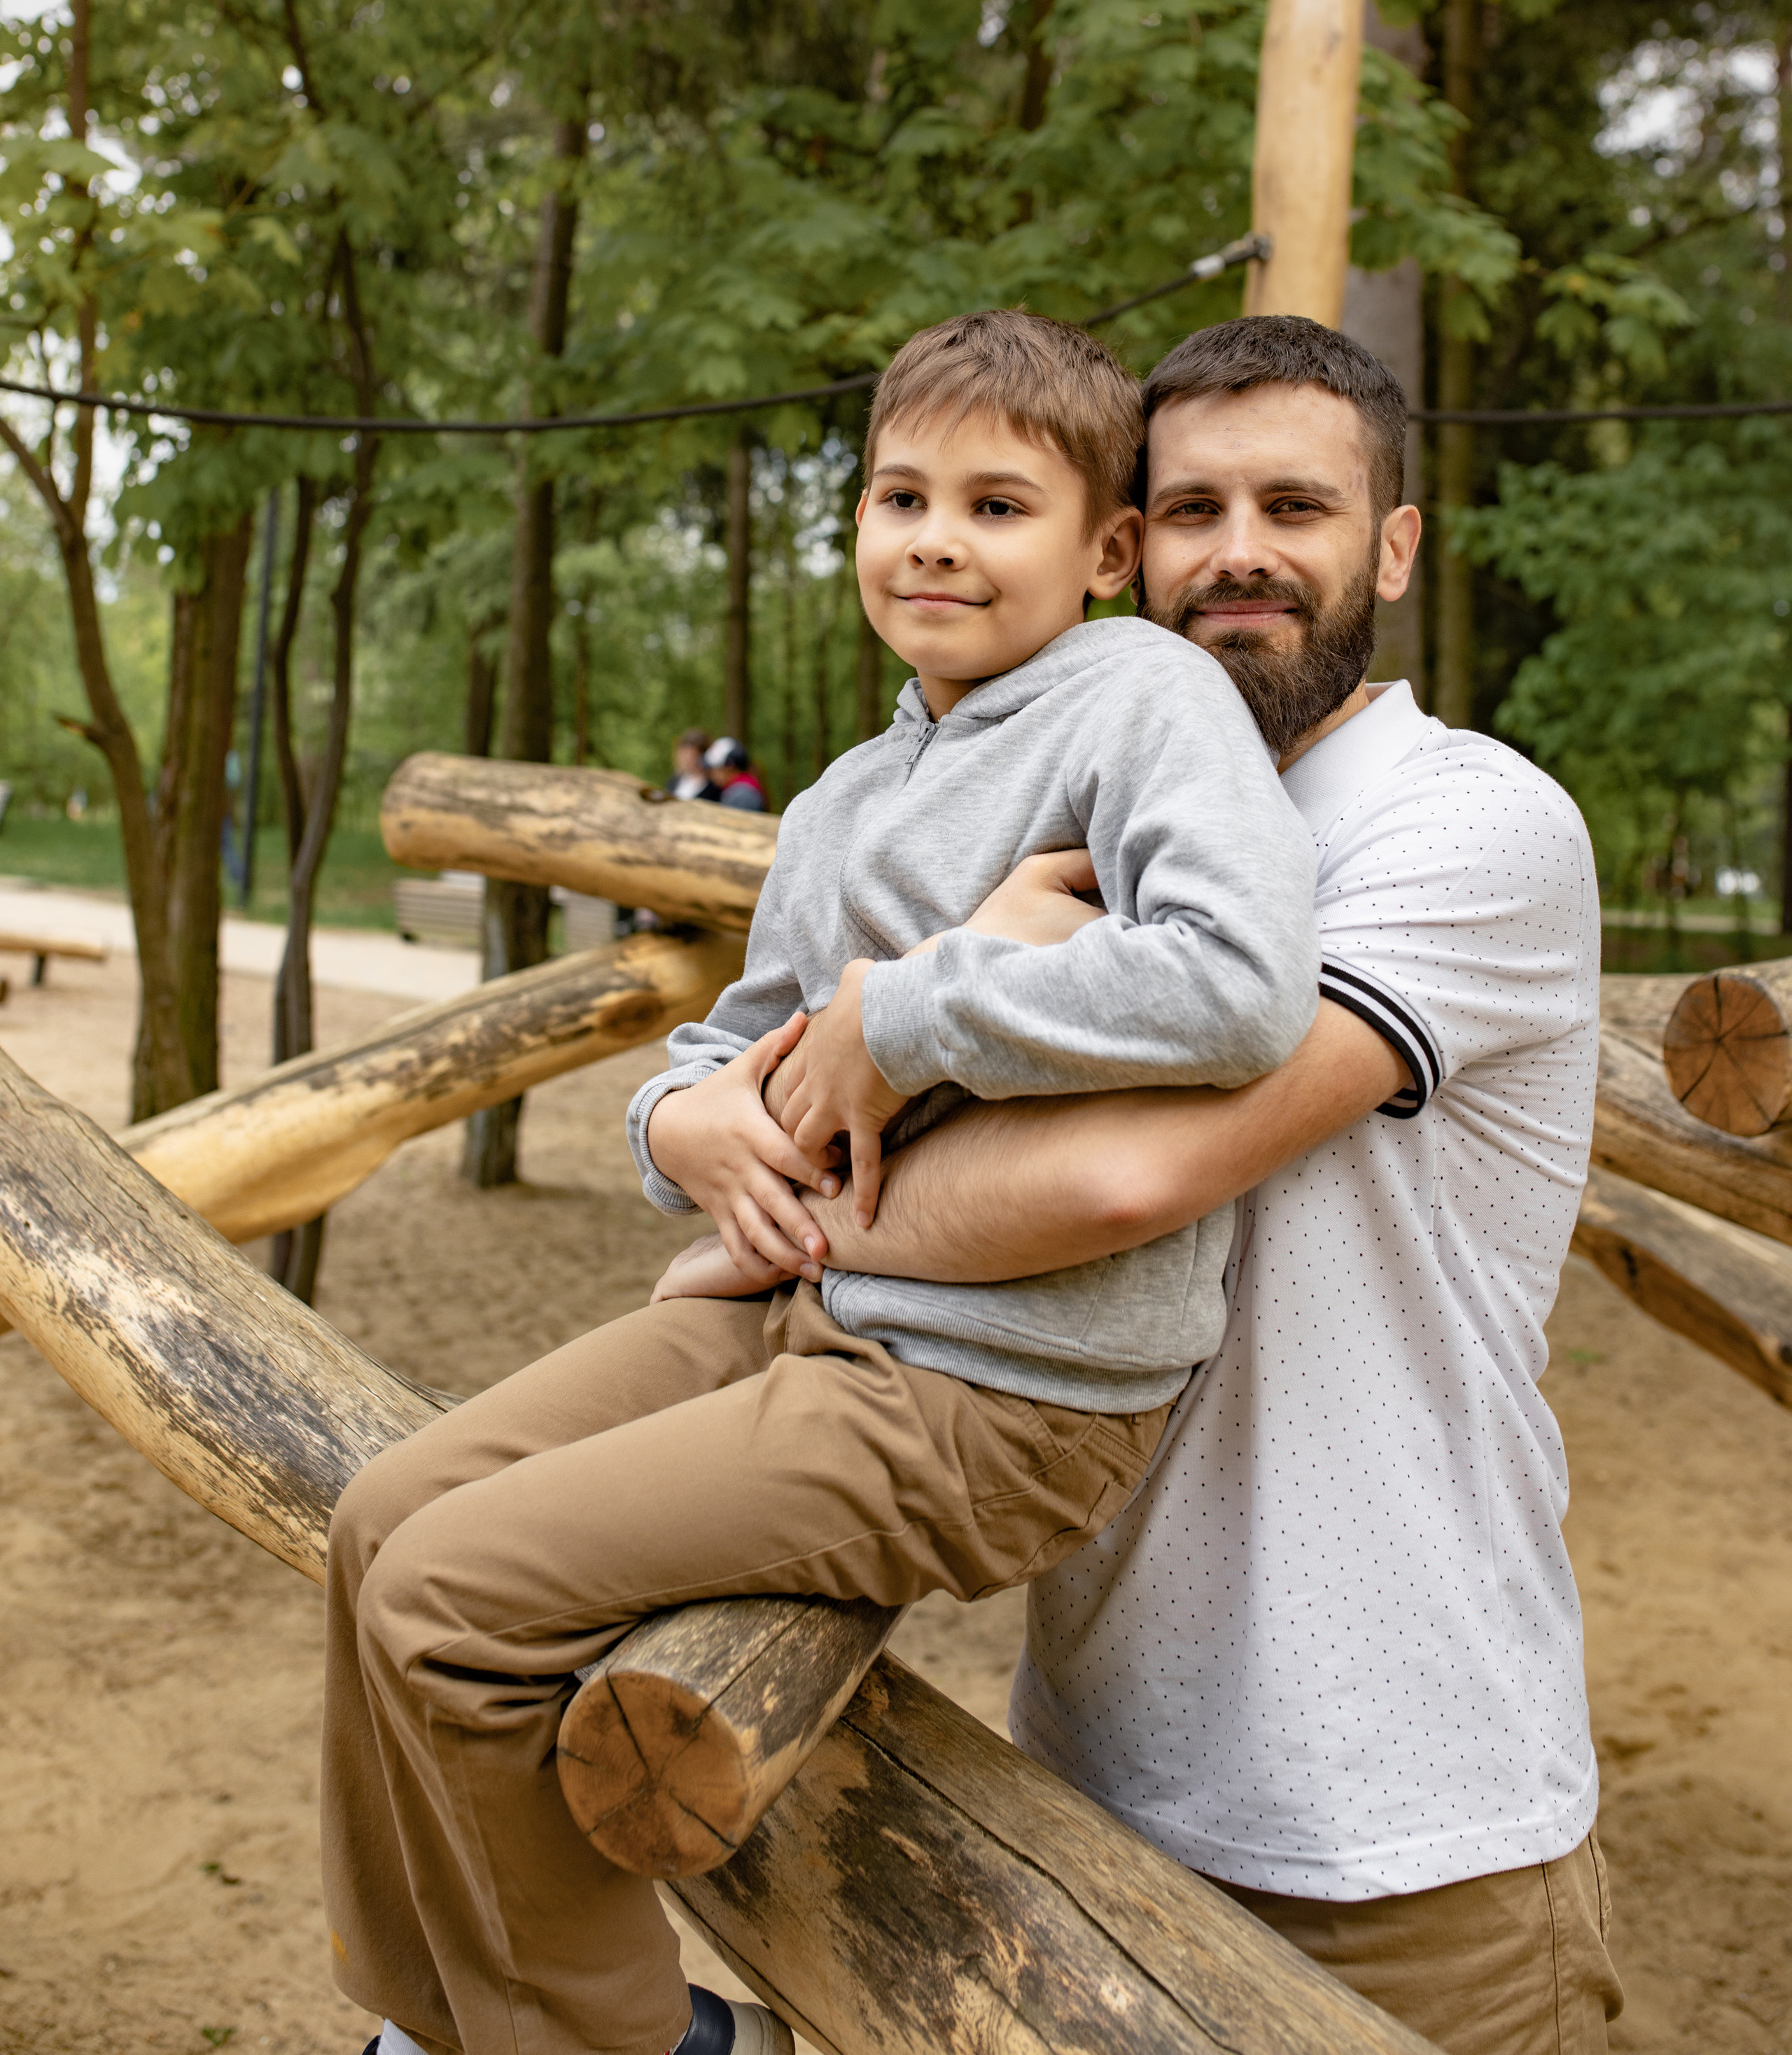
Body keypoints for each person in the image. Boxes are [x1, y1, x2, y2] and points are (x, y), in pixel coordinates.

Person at [322, 309, 1321, 2055]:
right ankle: (427, 2014)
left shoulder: (1139, 699)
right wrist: (676, 1127)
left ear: (1103, 550)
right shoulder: (847, 791)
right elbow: (738, 1048)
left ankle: (619, 2044)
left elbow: (1238, 982)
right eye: (898, 494)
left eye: (996, 505)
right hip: (798, 1308)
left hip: (993, 1387)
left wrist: (915, 1003)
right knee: (376, 1522)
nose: (933, 535)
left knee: (449, 1598)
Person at [766, 315, 1619, 2055]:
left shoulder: (1461, 825)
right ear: (1117, 548)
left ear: (1388, 546)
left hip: (1401, 1819)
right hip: (1092, 1752)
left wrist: (777, 1222)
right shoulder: (1067, 818)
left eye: (1293, 506)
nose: (1234, 552)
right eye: (1187, 508)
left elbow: (1132, 1173)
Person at [701, 735, 766, 811]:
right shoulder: (737, 789)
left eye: (715, 769)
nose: (712, 774)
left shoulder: (742, 795)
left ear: (730, 767)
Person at [664, 728, 718, 801]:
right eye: (683, 754)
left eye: (692, 755)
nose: (686, 759)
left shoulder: (713, 786)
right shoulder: (675, 781)